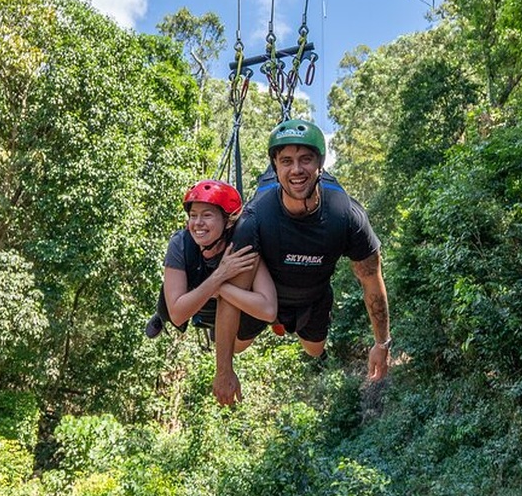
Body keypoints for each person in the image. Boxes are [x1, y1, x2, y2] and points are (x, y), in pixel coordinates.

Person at [212, 119, 391, 406]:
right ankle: (267, 315)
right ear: (275, 167)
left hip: (313, 297)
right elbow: (232, 301)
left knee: (313, 350)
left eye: (305, 159)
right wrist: (224, 372)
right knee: (234, 348)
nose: (296, 170)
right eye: (286, 161)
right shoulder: (256, 219)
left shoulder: (345, 216)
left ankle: (288, 322)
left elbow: (371, 279)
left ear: (320, 165)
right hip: (263, 297)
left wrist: (382, 343)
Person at [146, 179, 277, 339]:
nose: (198, 223)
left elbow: (269, 311)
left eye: (207, 215)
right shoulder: (181, 243)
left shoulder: (241, 244)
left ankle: (219, 327)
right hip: (192, 297)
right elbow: (177, 314)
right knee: (167, 298)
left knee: (246, 330)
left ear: (228, 221)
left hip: (230, 308)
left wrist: (220, 289)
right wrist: (220, 275)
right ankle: (160, 317)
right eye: (193, 216)